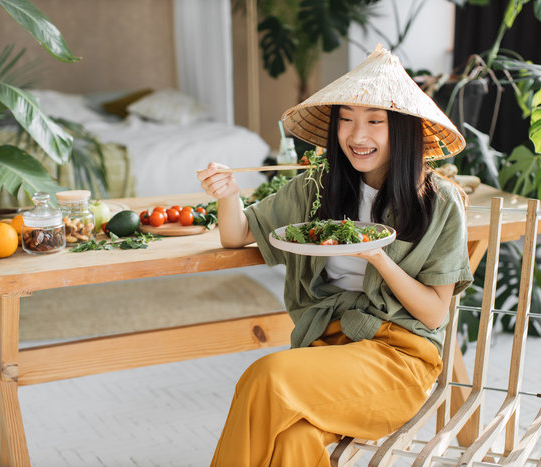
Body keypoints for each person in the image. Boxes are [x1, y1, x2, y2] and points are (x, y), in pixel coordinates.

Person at [197, 44, 473, 467]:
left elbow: (435, 315)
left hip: (399, 360)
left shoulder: (440, 201)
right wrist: (228, 193)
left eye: (374, 122)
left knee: (267, 376)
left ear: (401, 128)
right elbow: (236, 236)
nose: (356, 136)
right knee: (293, 441)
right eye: (346, 119)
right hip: (328, 345)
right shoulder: (318, 186)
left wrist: (378, 257)